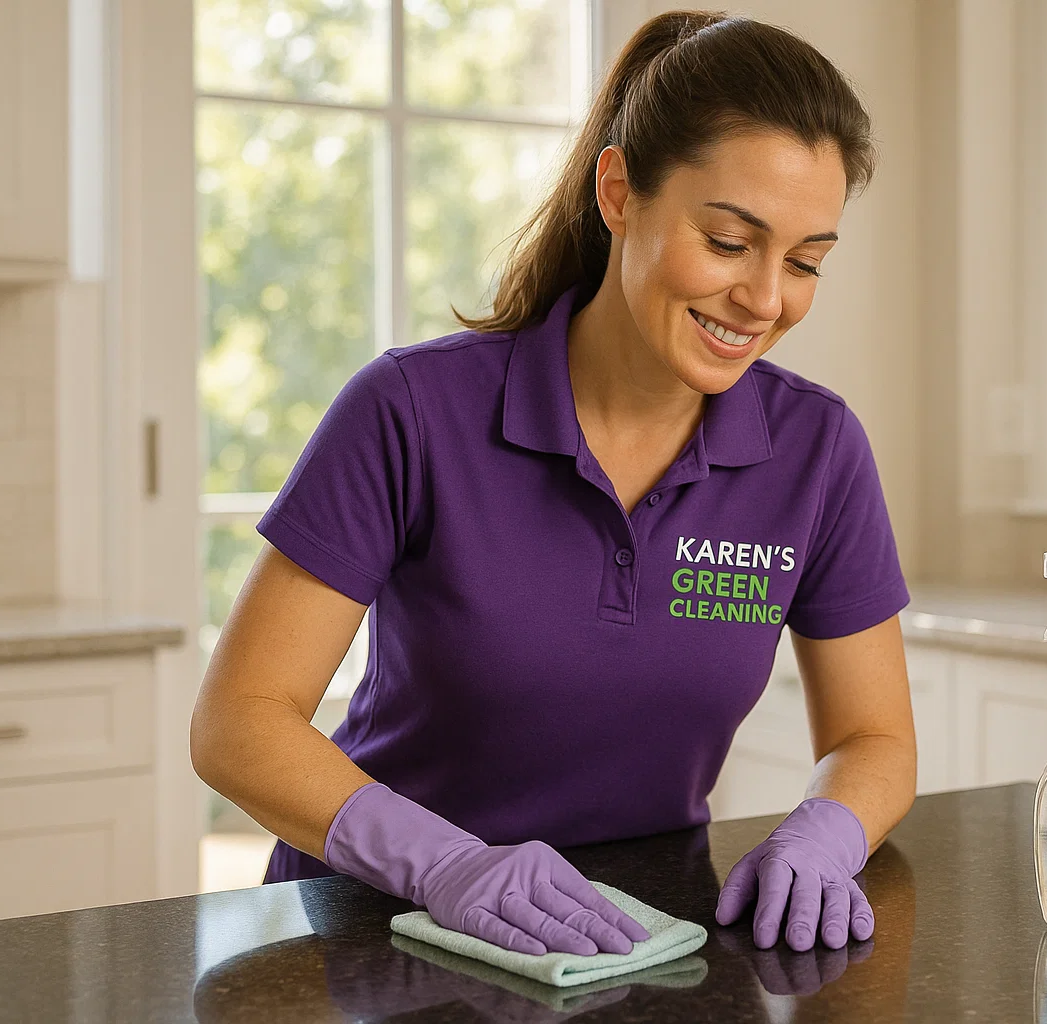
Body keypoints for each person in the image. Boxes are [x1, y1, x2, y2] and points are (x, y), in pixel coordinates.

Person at [190, 9, 916, 956]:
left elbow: (875, 738)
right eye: (731, 243)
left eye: (807, 261)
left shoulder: (816, 451)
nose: (768, 298)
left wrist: (828, 831)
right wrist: (442, 863)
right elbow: (238, 724)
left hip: (638, 940)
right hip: (370, 934)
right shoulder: (411, 410)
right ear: (620, 193)